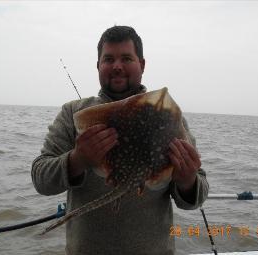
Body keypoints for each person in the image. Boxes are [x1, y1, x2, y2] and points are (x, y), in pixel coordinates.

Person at [31, 25, 208, 255]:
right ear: (98, 66)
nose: (117, 66)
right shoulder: (74, 114)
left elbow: (196, 197)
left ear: (142, 65)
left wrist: (187, 180)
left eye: (126, 58)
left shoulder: (166, 117)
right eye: (108, 59)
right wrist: (78, 160)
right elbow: (40, 179)